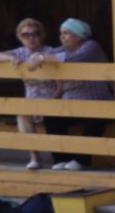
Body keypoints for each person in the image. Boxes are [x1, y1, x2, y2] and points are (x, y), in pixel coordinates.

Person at [39, 18, 110, 170]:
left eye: (66, 33)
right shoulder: (60, 50)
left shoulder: (91, 46)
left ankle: (81, 160)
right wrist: (36, 57)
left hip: (98, 101)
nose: (62, 37)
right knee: (51, 117)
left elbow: (74, 59)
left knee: (95, 120)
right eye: (61, 33)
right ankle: (60, 160)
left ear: (79, 35)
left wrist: (41, 58)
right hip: (71, 104)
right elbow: (43, 55)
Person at [0, 18, 59, 168]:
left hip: (53, 99)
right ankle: (34, 157)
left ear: (42, 35)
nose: (31, 38)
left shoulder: (50, 51)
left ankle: (56, 158)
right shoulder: (20, 52)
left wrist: (53, 100)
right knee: (22, 113)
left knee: (27, 112)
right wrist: (10, 57)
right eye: (26, 35)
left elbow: (61, 85)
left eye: (35, 34)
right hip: (31, 102)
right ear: (20, 37)